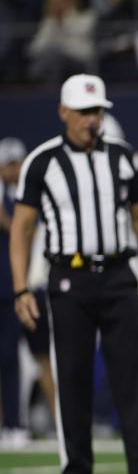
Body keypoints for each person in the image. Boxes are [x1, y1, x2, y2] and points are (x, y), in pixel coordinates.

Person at [9, 74, 138, 474]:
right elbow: (22, 228)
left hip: (120, 274)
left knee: (134, 372)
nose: (92, 120)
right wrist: (20, 288)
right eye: (84, 112)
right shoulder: (43, 161)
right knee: (72, 372)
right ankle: (76, 470)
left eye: (98, 111)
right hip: (68, 276)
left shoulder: (122, 157)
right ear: (63, 112)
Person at [0, 138, 28, 447]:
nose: (14, 169)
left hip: (11, 288)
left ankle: (14, 423)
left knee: (10, 358)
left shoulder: (21, 196)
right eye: (9, 164)